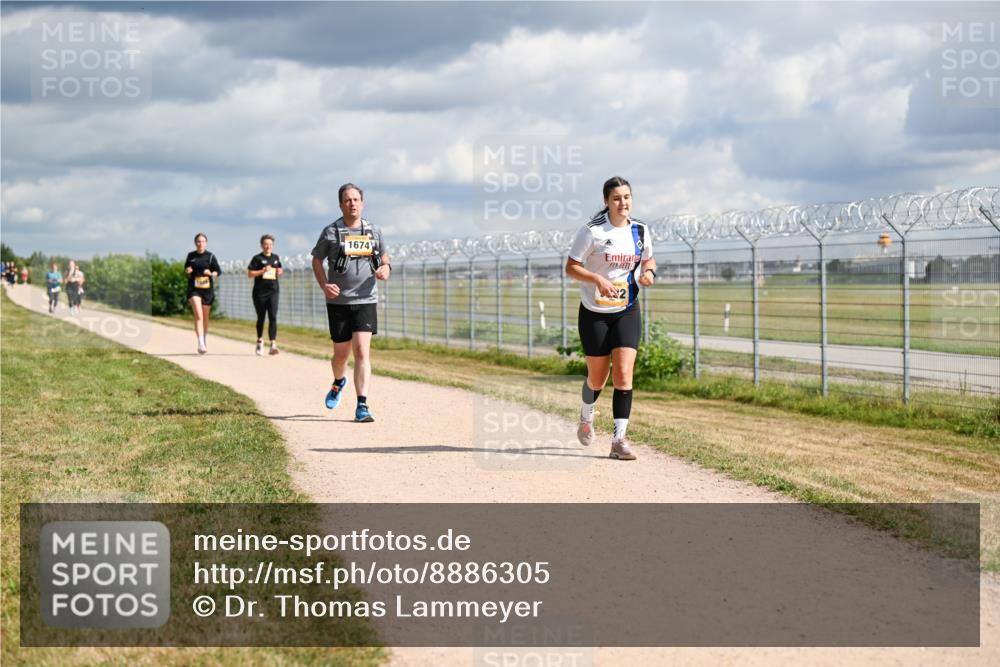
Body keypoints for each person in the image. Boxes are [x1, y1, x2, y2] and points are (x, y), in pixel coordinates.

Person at [565, 176, 657, 461]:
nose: (623, 203)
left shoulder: (640, 231)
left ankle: (619, 440)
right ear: (607, 201)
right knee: (597, 377)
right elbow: (571, 267)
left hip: (627, 309)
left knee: (624, 374)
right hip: (595, 313)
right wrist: (595, 279)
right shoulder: (591, 232)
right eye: (617, 198)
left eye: (627, 197)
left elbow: (649, 260)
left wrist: (649, 273)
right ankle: (586, 414)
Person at [311, 183, 391, 423]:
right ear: (340, 204)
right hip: (338, 302)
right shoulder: (331, 232)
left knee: (361, 351)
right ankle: (338, 382)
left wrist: (386, 268)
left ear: (362, 203)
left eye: (356, 199)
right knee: (341, 355)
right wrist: (325, 284)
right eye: (347, 200)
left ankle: (362, 405)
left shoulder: (373, 231)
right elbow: (316, 260)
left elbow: (384, 257)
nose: (352, 204)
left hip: (366, 298)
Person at [184, 233, 221, 354]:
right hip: (194, 289)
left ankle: (203, 339)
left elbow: (218, 272)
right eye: (198, 241)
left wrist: (210, 273)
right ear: (195, 243)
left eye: (203, 241)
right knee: (198, 316)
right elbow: (187, 269)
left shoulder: (210, 256)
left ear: (206, 243)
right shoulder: (191, 256)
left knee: (205, 318)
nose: (200, 243)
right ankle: (200, 343)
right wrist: (188, 270)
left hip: (207, 290)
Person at [247, 234, 284, 356]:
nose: (268, 246)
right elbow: (250, 273)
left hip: (273, 291)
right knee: (261, 317)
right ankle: (259, 341)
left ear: (273, 245)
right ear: (262, 245)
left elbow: (280, 270)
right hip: (259, 293)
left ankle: (273, 344)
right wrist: (262, 271)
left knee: (273, 316)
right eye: (266, 244)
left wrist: (279, 271)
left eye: (270, 244)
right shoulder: (257, 258)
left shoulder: (275, 257)